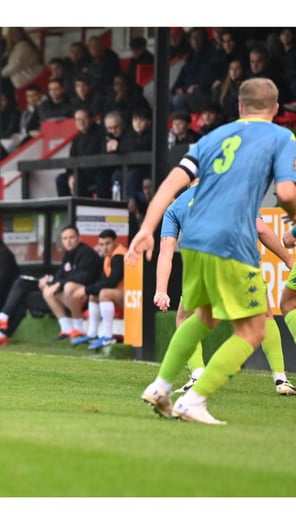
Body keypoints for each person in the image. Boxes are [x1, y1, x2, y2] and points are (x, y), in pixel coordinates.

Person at [126, 78, 296, 425]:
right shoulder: (282, 137)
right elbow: (286, 192)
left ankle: (160, 386)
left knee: (201, 315)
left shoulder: (211, 138)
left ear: (239, 108)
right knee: (254, 329)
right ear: (276, 110)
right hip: (231, 240)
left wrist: (146, 228)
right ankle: (194, 400)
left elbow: (171, 185)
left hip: (195, 242)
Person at [155, 180, 296, 396]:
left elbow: (166, 252)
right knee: (265, 316)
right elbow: (260, 228)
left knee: (184, 318)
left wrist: (161, 290)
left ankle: (197, 375)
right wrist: (287, 259)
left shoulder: (175, 207)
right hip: (244, 262)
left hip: (204, 266)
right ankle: (281, 379)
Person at [0, 224, 102, 346]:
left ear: (79, 238)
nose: (68, 241)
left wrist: (58, 283)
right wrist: (50, 280)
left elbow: (84, 277)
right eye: (65, 238)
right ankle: (3, 326)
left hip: (83, 300)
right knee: (24, 288)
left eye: (71, 237)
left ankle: (3, 324)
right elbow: (61, 274)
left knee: (59, 288)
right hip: (61, 300)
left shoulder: (86, 254)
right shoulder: (69, 254)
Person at [71, 229, 127, 349]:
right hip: (123, 296)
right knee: (94, 294)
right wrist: (89, 290)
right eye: (101, 244)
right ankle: (92, 334)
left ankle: (108, 336)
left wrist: (86, 290)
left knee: (104, 293)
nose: (104, 248)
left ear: (115, 242)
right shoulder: (108, 257)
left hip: (133, 298)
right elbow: (102, 280)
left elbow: (112, 282)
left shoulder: (119, 256)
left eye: (108, 243)